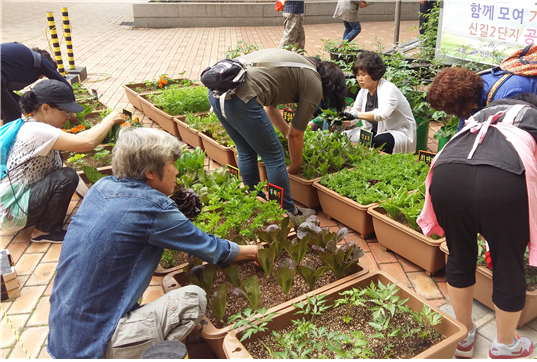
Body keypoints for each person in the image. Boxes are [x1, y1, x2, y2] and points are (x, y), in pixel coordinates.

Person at [47, 127, 260, 359]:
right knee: (192, 300)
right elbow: (212, 249)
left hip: (62, 333)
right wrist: (253, 252)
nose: (177, 171)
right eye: (172, 165)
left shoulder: (101, 187)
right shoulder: (153, 207)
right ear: (150, 172)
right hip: (95, 343)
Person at [417, 94, 537, 359]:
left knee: (459, 256)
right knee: (508, 264)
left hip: (446, 175)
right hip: (503, 183)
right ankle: (505, 345)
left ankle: (463, 336)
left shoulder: (478, 116)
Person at [207, 48, 346, 220]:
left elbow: (270, 107)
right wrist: (295, 165)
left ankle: (254, 202)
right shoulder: (314, 82)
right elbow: (296, 134)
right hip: (242, 97)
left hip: (216, 93)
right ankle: (287, 211)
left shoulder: (298, 65)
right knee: (274, 156)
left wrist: (286, 132)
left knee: (245, 150)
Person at [0, 79, 125, 243]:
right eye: (64, 111)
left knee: (62, 170)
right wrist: (108, 120)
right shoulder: (38, 130)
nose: (68, 117)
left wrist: (104, 123)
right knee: (67, 176)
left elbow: (77, 138)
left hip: (12, 205)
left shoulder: (32, 124)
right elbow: (85, 143)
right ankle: (44, 231)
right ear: (45, 108)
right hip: (12, 212)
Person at [427, 67, 537, 130]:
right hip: (529, 92)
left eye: (451, 110)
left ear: (462, 103)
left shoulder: (503, 99)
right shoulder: (474, 85)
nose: (451, 114)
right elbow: (466, 119)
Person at [340, 51, 416, 154]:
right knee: (343, 136)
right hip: (375, 130)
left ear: (374, 74)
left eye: (363, 74)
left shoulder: (388, 89)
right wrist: (339, 119)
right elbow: (353, 117)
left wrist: (355, 115)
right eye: (357, 75)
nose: (359, 79)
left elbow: (382, 114)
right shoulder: (364, 91)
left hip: (398, 131)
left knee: (378, 142)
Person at [1, 42, 72, 123]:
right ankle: (7, 135)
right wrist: (71, 108)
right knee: (13, 111)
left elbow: (8, 97)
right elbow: (64, 84)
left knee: (8, 106)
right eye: (41, 76)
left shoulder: (17, 60)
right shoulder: (41, 60)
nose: (38, 78)